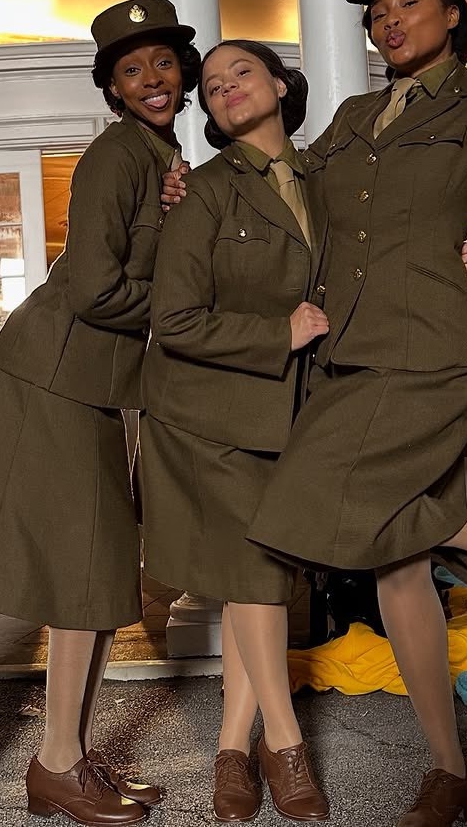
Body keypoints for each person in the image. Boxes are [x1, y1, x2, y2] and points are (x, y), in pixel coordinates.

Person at [247, 0, 467, 827]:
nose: (388, 21)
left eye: (409, 4)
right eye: (377, 11)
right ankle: (451, 768)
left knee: (294, 507)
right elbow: (292, 189)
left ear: (454, 12)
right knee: (396, 566)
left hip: (428, 350)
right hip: (346, 351)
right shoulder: (352, 117)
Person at [0, 0, 199, 826]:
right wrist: (183, 312)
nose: (151, 79)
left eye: (161, 63)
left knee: (96, 573)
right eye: (132, 70)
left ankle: (68, 757)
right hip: (55, 376)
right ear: (113, 87)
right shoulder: (116, 157)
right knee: (83, 573)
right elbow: (96, 289)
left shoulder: (159, 157)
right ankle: (57, 764)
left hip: (91, 378)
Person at [141, 40, 329, 823]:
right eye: (212, 86)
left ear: (281, 84)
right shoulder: (205, 193)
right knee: (258, 578)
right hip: (210, 417)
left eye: (240, 72)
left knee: (266, 579)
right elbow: (175, 319)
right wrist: (277, 333)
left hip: (294, 415)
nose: (224, 89)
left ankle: (228, 747)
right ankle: (285, 746)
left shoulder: (327, 180)